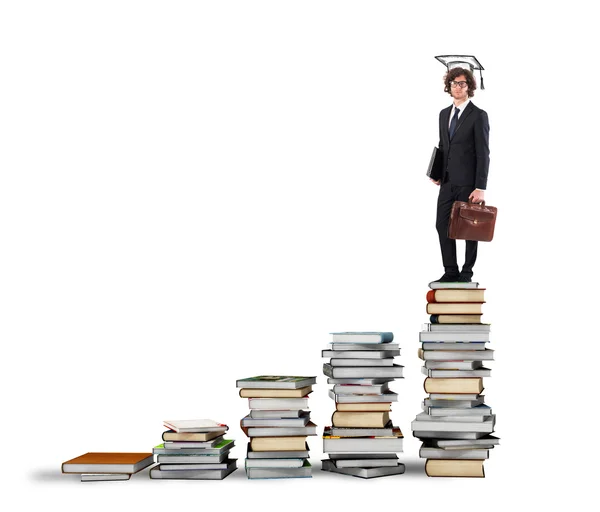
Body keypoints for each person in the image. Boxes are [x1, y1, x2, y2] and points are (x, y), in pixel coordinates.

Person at [431, 64, 490, 283]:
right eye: (454, 83)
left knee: (468, 228)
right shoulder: (444, 114)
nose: (458, 87)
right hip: (447, 182)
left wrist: (480, 187)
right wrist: (437, 172)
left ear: (469, 87)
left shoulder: (478, 115)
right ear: (449, 85)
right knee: (441, 224)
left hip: (469, 183)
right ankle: (450, 270)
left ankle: (466, 273)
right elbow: (443, 145)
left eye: (462, 83)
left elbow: (484, 153)